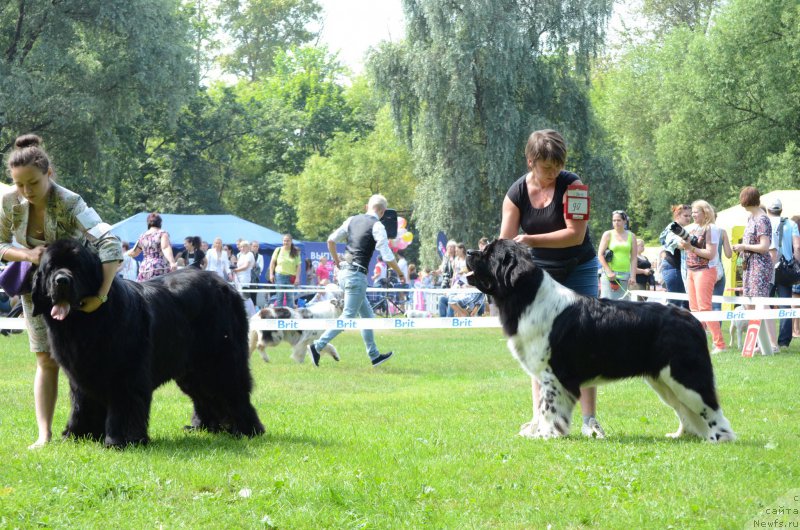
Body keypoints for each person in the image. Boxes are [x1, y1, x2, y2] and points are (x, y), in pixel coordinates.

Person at [0, 134, 123, 449]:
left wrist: (101, 296)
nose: (26, 191)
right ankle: (44, 434)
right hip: (39, 289)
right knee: (45, 359)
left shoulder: (71, 202)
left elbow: (110, 242)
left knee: (81, 360)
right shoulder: (8, 202)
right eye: (19, 184)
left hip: (79, 291)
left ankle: (89, 424)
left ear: (49, 174)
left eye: (33, 183)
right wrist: (26, 255)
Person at [499, 129, 604, 439]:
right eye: (547, 167)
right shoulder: (516, 194)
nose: (554, 172)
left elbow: (576, 235)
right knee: (537, 342)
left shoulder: (574, 186)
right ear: (531, 161)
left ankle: (589, 420)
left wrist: (530, 239)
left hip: (579, 267)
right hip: (541, 273)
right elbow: (505, 241)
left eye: (559, 166)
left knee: (585, 341)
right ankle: (540, 418)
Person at [309, 194, 407, 367]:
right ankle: (317, 346)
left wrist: (337, 261)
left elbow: (331, 240)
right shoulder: (378, 226)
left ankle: (374, 356)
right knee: (348, 315)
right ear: (383, 212)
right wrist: (400, 273)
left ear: (366, 207)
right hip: (356, 276)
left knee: (368, 316)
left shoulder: (351, 220)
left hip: (344, 273)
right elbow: (386, 255)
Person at [732, 186, 778, 355]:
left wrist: (744, 246)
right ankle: (758, 343)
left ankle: (773, 344)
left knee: (762, 303)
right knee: (749, 303)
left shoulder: (762, 219)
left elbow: (765, 247)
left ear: (746, 200)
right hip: (749, 264)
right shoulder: (751, 218)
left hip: (760, 265)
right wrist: (742, 249)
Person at [679, 200, 726, 354]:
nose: (693, 215)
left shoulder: (712, 229)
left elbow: (711, 254)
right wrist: (683, 244)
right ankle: (698, 342)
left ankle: (719, 344)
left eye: (696, 212)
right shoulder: (693, 228)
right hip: (691, 270)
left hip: (705, 270)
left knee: (705, 308)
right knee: (694, 308)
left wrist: (691, 248)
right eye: (692, 212)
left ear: (705, 213)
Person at [766, 197, 800, 350]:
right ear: (781, 210)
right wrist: (796, 264)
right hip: (785, 269)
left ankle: (766, 338)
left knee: (764, 303)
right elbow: (797, 247)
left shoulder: (764, 222)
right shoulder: (791, 224)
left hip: (767, 267)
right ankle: (784, 342)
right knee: (785, 304)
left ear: (768, 210)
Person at [597, 210, 637, 299]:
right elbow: (600, 254)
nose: (616, 223)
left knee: (624, 304)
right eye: (614, 220)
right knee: (608, 304)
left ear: (625, 221)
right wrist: (608, 271)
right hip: (610, 275)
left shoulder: (632, 236)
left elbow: (634, 258)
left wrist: (633, 276)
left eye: (619, 220)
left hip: (625, 275)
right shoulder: (608, 234)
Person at [659, 204, 692, 308]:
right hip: (674, 268)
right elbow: (680, 245)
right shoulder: (672, 228)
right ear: (677, 216)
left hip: (682, 269)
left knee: (686, 305)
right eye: (685, 216)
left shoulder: (687, 228)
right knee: (675, 306)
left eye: (690, 216)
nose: (688, 218)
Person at [129, 212, 178, 281]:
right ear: (160, 223)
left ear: (148, 223)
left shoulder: (142, 236)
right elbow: (165, 248)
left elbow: (134, 253)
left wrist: (125, 254)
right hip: (159, 267)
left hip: (144, 268)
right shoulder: (162, 233)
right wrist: (172, 262)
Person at [268, 234, 301, 308]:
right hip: (279, 276)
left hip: (291, 277)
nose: (286, 242)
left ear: (291, 241)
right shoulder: (278, 250)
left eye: (288, 241)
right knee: (279, 297)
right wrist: (271, 274)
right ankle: (279, 313)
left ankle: (290, 313)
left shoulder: (295, 251)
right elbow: (272, 263)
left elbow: (298, 266)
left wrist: (297, 278)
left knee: (290, 297)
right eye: (284, 241)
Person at [437, 240, 457, 317]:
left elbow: (456, 271)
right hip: (445, 282)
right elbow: (442, 268)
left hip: (454, 283)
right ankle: (443, 318)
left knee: (451, 299)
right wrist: (436, 272)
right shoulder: (445, 257)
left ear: (455, 248)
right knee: (443, 299)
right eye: (448, 247)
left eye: (452, 247)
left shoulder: (457, 258)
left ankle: (449, 317)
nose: (450, 248)